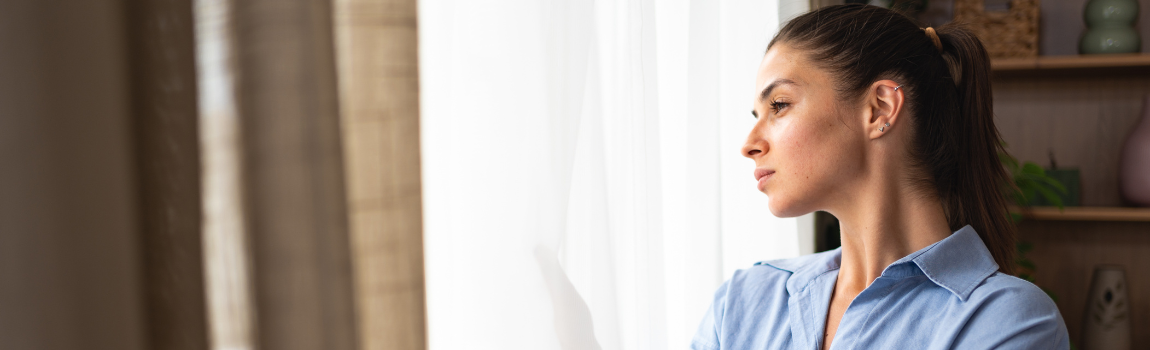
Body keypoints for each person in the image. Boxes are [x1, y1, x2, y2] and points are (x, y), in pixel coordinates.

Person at [691, 4, 1070, 350]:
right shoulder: (742, 302)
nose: (750, 144)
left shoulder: (1005, 320)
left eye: (779, 105)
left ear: (879, 109)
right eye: (756, 116)